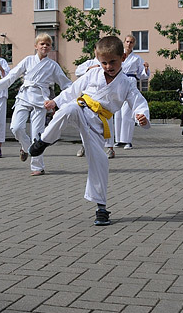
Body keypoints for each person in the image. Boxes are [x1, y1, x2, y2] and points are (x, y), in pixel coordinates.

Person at [28, 36, 150, 225]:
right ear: (98, 60)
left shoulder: (127, 83)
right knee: (68, 108)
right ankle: (43, 141)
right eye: (104, 63)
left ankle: (101, 207)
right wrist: (55, 101)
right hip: (82, 109)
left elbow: (138, 102)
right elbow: (72, 90)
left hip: (98, 126)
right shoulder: (93, 74)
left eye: (112, 62)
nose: (108, 67)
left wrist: (142, 115)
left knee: (99, 161)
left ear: (123, 59)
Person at [0, 34, 71, 176]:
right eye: (42, 44)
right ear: (36, 46)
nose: (44, 46)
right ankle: (26, 148)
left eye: (47, 44)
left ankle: (37, 167)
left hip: (41, 100)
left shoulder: (53, 65)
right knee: (16, 127)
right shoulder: (28, 60)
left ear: (50, 47)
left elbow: (65, 83)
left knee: (37, 134)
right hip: (24, 96)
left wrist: (77, 93)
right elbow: (13, 74)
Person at [112, 35, 150, 151]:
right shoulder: (118, 55)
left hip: (130, 82)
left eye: (131, 42)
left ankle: (127, 140)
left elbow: (141, 74)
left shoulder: (137, 58)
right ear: (124, 42)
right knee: (117, 113)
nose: (129, 44)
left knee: (126, 113)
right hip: (118, 82)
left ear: (134, 44)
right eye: (127, 41)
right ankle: (118, 140)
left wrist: (146, 69)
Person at [73, 57, 101, 157]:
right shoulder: (90, 63)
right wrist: (89, 68)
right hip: (88, 99)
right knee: (84, 122)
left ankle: (110, 148)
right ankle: (85, 145)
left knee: (106, 125)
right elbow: (77, 72)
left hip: (103, 101)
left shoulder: (110, 63)